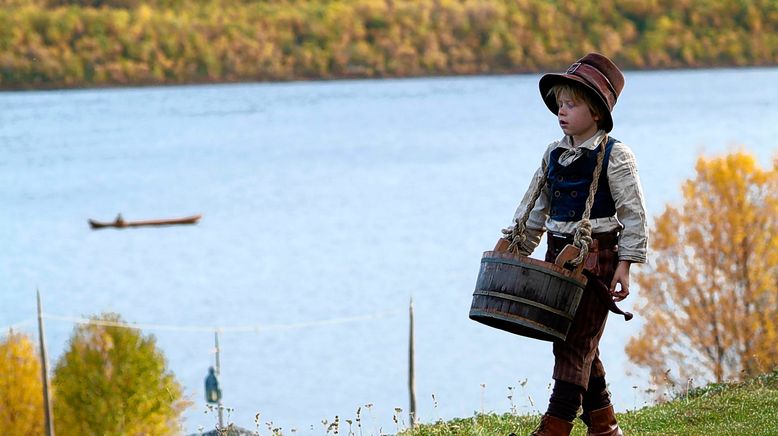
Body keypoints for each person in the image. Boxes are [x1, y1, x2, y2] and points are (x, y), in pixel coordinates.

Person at [503, 53, 648, 435]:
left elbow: (634, 215)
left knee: (574, 344)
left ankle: (555, 425)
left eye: (572, 104)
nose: (562, 112)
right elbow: (535, 207)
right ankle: (605, 428)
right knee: (575, 341)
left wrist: (625, 265)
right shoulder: (553, 153)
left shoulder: (616, 156)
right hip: (557, 257)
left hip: (598, 258)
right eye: (560, 104)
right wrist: (517, 247)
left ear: (597, 112)